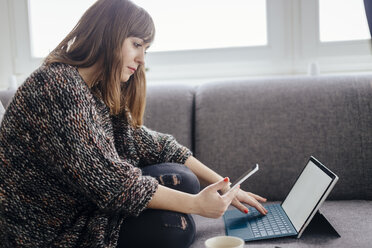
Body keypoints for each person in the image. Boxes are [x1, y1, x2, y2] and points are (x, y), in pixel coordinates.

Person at [0, 0, 267, 247]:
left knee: (185, 178)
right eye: (137, 45)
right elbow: (112, 183)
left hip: (86, 201)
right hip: (47, 230)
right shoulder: (57, 87)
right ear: (109, 35)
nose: (142, 60)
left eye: (145, 49)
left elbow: (155, 145)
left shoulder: (93, 88)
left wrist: (226, 185)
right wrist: (197, 206)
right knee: (177, 228)